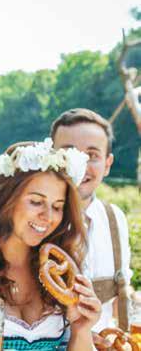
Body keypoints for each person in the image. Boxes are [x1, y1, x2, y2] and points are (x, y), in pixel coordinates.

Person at [0, 140, 102, 350]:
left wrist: (81, 329)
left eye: (57, 206)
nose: (48, 217)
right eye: (36, 202)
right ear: (6, 200)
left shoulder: (63, 279)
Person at [51, 108, 134, 332]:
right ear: (50, 156)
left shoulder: (115, 218)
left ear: (107, 164)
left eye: (92, 155)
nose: (80, 165)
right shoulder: (33, 220)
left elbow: (121, 295)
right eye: (69, 153)